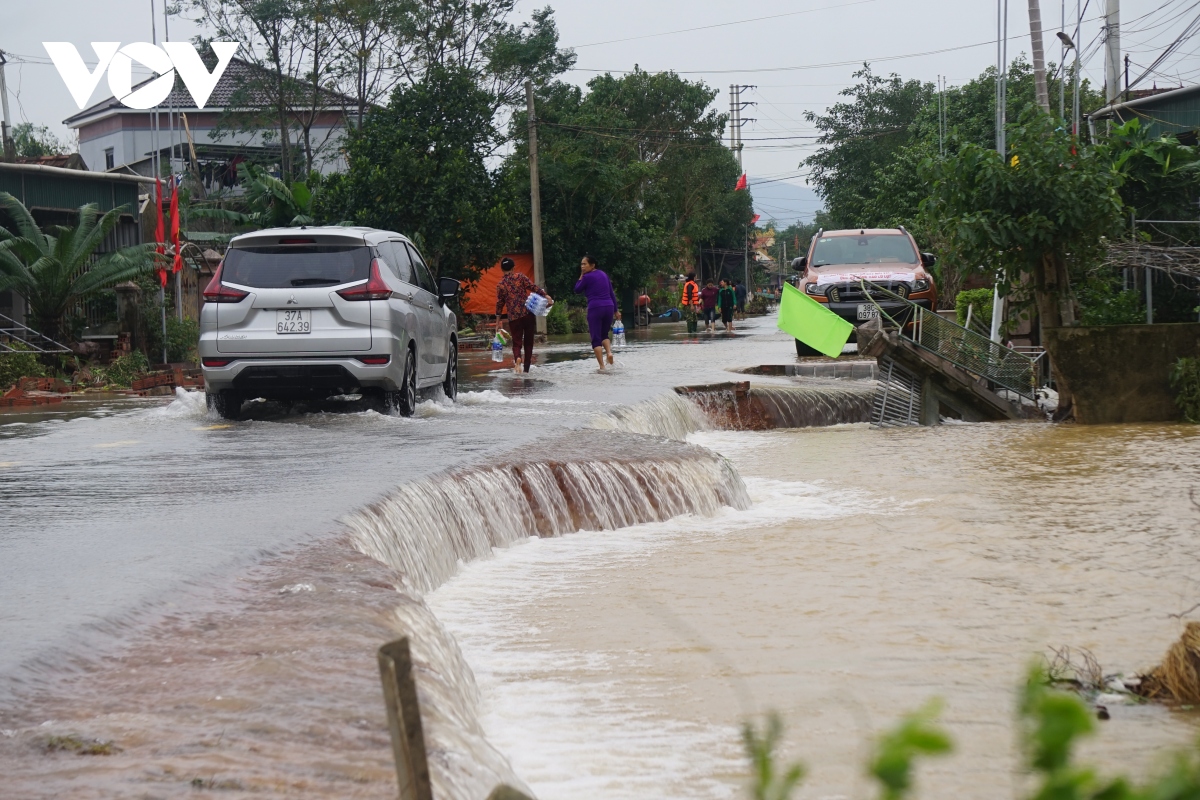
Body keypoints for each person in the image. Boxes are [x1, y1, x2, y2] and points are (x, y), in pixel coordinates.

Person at [494, 257, 551, 373]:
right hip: (527, 314)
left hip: (514, 317)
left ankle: (518, 359)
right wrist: (545, 295)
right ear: (513, 268)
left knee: (516, 343)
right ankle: (526, 370)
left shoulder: (501, 285)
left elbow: (499, 304)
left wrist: (497, 321)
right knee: (528, 343)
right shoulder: (520, 277)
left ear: (502, 269)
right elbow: (533, 287)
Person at [574, 254, 620, 370]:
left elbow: (577, 289)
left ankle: (602, 367)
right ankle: (609, 352)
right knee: (604, 334)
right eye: (581, 264)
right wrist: (616, 310)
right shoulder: (604, 274)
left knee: (596, 338)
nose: (582, 266)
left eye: (585, 264)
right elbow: (611, 293)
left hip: (595, 308)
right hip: (609, 307)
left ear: (592, 265)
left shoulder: (586, 277)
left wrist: (581, 276)